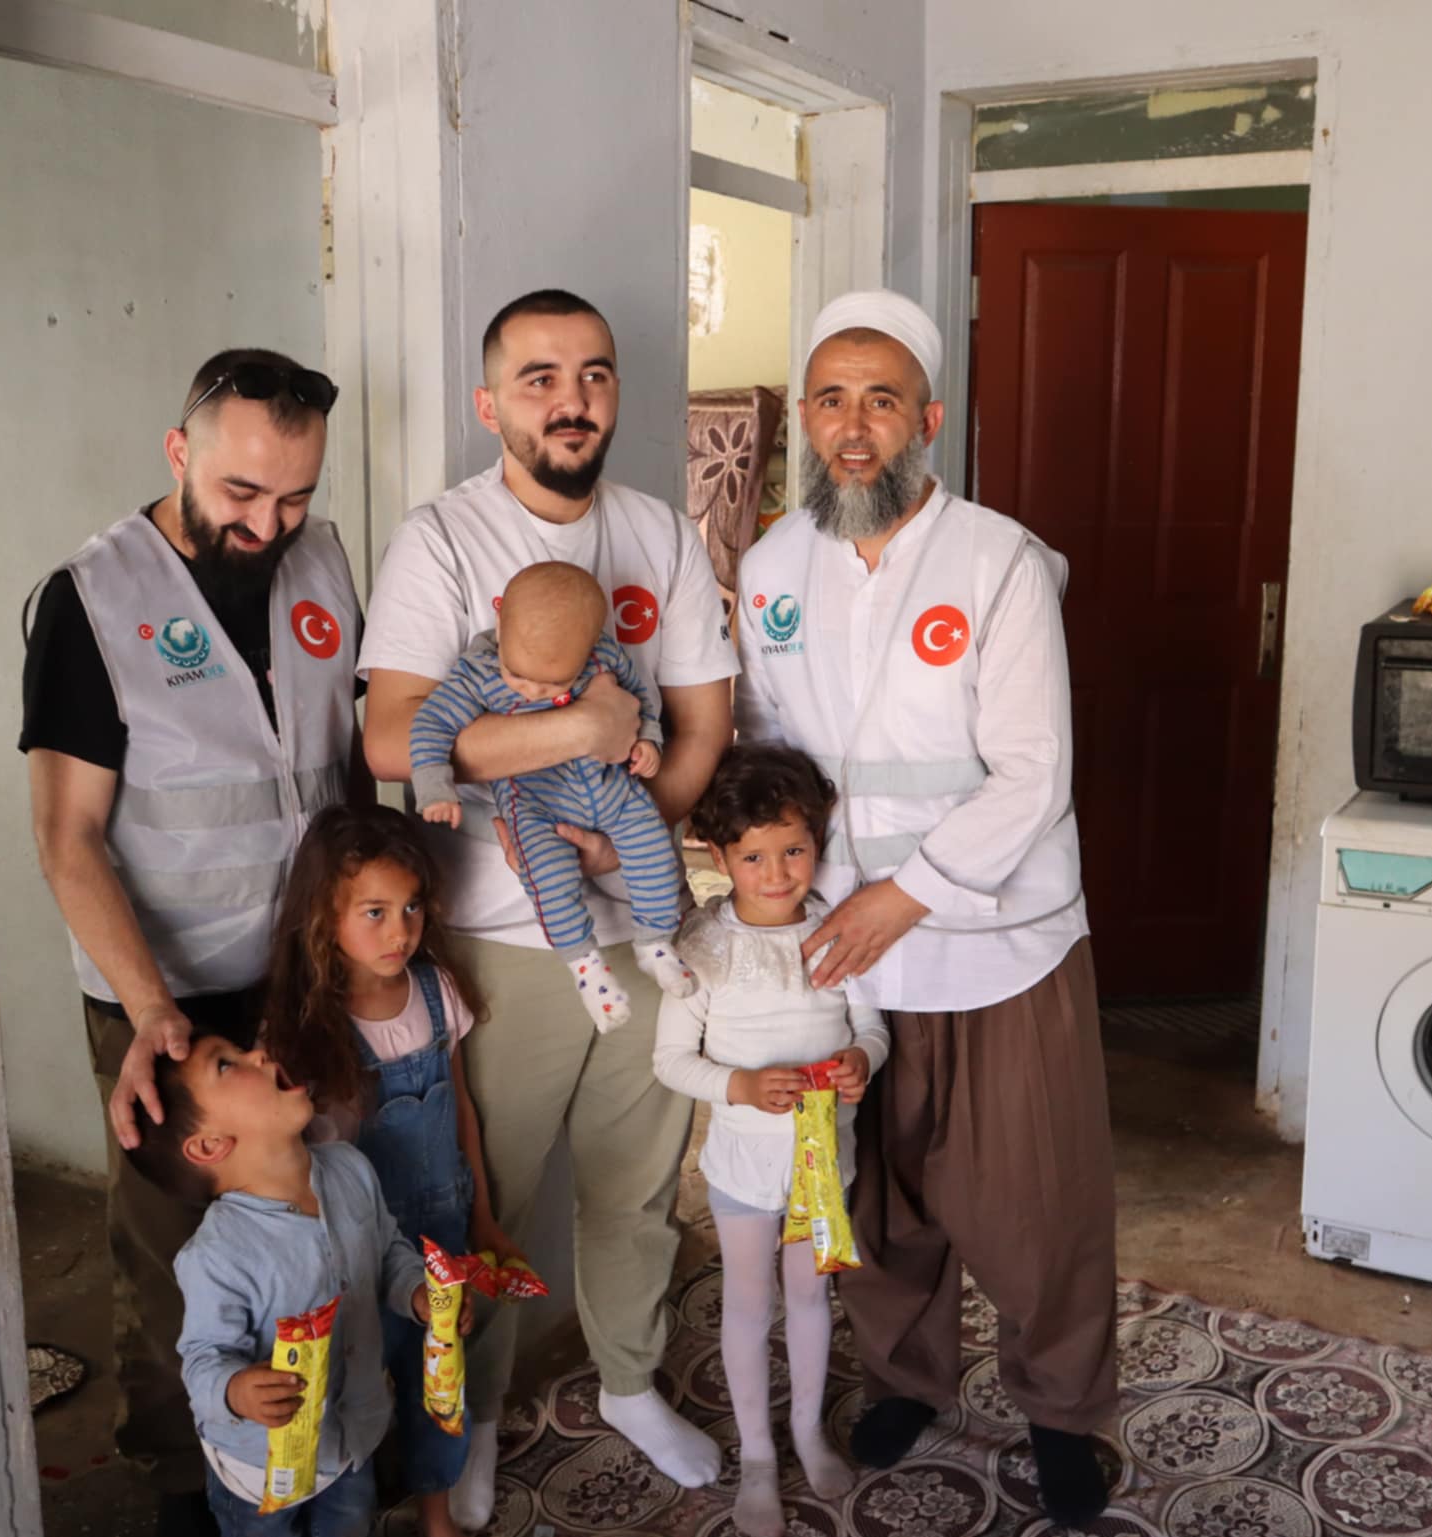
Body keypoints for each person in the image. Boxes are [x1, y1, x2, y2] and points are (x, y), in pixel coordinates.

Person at [732, 290, 1117, 1526]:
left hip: (995, 944)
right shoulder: (767, 569)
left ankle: (1060, 1410)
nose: (854, 429)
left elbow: (1034, 771)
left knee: (1034, 1202)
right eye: (831, 400)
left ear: (928, 420)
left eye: (881, 401)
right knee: (876, 1193)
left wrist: (904, 895)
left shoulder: (995, 560)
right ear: (804, 417)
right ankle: (905, 1376)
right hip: (841, 948)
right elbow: (767, 753)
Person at [360, 290, 736, 1524]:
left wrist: (633, 842)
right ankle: (468, 1426)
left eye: (592, 374)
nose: (570, 400)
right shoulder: (441, 540)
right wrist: (578, 729)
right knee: (486, 1202)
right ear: (490, 404)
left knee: (635, 1188)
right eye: (538, 378)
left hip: (642, 930)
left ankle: (627, 1382)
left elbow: (701, 721)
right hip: (496, 938)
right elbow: (389, 735)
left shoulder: (657, 533)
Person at [21, 348, 363, 1533]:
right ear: (179, 452)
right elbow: (67, 837)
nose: (268, 526)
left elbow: (339, 763)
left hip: (301, 980)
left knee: (319, 1216)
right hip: (161, 999)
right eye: (241, 493)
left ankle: (325, 1456)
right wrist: (151, 1009)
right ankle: (185, 1484)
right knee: (176, 1264)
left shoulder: (322, 561)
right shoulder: (92, 599)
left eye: (296, 497)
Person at [258, 805, 513, 1537]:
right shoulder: (303, 1029)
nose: (400, 931)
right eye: (374, 911)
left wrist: (483, 1215)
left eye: (411, 907)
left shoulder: (438, 994)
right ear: (323, 916)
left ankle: (437, 1513)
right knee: (357, 1380)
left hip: (441, 1230)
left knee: (439, 1377)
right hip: (354, 1245)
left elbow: (462, 1110)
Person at [653, 746, 888, 1537]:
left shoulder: (837, 931)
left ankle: (808, 1429)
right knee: (750, 1305)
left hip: (825, 1165)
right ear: (719, 857)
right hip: (743, 1171)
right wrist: (742, 1085)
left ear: (817, 841)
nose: (778, 872)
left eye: (794, 849)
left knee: (811, 1296)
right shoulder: (702, 949)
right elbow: (671, 1059)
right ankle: (758, 1454)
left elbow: (871, 1026)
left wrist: (862, 1060)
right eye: (753, 856)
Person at [123, 1033, 471, 1537]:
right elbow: (202, 1358)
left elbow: (388, 1252)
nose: (259, 1053)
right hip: (259, 1469)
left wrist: (420, 1294)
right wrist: (236, 1391)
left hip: (351, 1441)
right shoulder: (217, 1255)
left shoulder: (351, 1168)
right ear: (209, 1146)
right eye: (227, 1065)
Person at [410, 561, 696, 1030]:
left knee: (652, 846)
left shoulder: (605, 657)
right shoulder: (478, 672)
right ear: (500, 622)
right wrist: (434, 786)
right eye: (518, 676)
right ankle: (587, 968)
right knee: (548, 877)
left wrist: (648, 741)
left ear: (591, 645)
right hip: (535, 802)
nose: (532, 691)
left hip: (611, 787)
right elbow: (431, 724)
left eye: (554, 684)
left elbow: (641, 701)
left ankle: (655, 943)